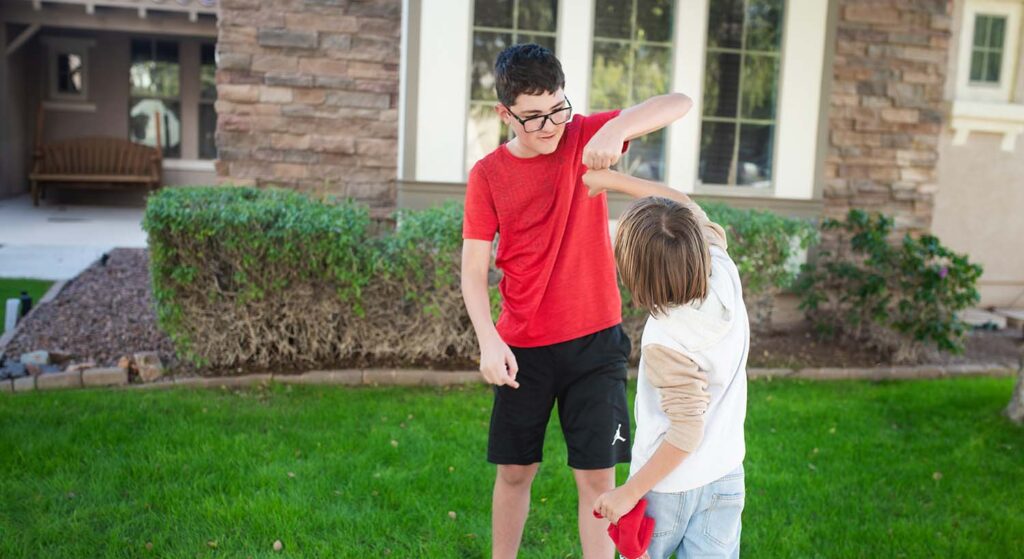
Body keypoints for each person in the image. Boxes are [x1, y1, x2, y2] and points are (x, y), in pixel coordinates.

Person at [459, 43, 692, 558]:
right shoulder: (488, 176)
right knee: (516, 473)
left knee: (597, 479)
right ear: (505, 114)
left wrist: (613, 128)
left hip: (595, 344)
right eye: (533, 117)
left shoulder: (581, 133)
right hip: (522, 348)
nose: (549, 127)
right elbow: (473, 273)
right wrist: (488, 340)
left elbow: (678, 102)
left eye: (558, 109)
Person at [588, 169, 749, 559]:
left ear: (635, 274)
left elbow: (686, 431)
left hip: (667, 488)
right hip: (726, 474)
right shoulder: (723, 271)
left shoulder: (666, 338)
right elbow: (684, 203)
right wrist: (609, 178)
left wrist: (629, 492)